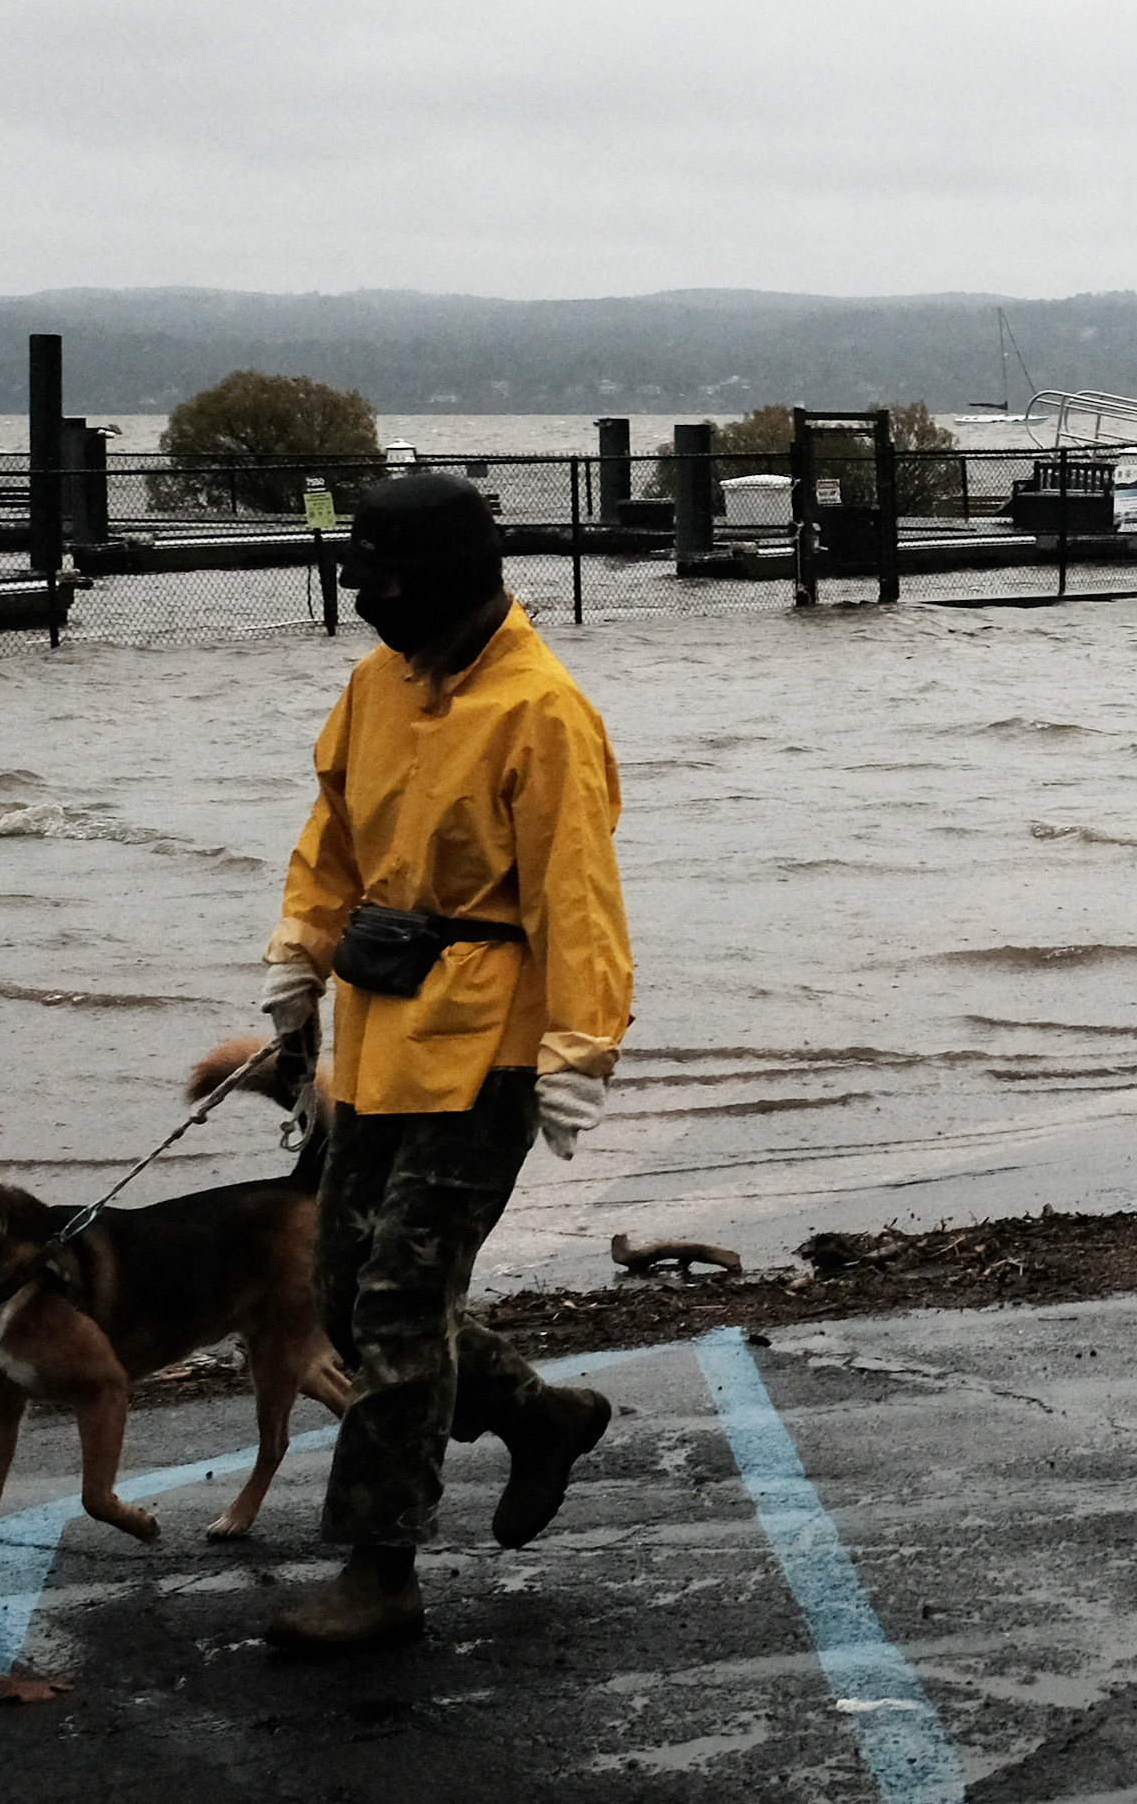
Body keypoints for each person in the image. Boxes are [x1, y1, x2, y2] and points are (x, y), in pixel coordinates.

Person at [255, 471, 633, 1650]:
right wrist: (298, 956)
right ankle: (536, 1414)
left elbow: (578, 892)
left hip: (494, 1047)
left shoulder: (542, 712)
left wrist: (581, 1049)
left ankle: (381, 1568)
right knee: (342, 1291)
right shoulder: (374, 687)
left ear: (446, 581)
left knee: (401, 1304)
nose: (366, 601)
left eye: (383, 581)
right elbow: (332, 842)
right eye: (357, 579)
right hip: (378, 1030)